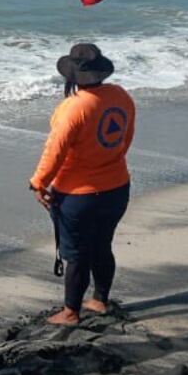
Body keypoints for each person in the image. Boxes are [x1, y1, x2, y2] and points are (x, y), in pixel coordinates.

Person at [28, 43, 134, 326]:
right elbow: (126, 137)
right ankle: (100, 299)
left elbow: (55, 149)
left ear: (73, 76)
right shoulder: (120, 96)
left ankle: (71, 311)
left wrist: (39, 182)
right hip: (117, 187)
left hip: (78, 195)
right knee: (102, 245)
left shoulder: (74, 107)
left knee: (75, 253)